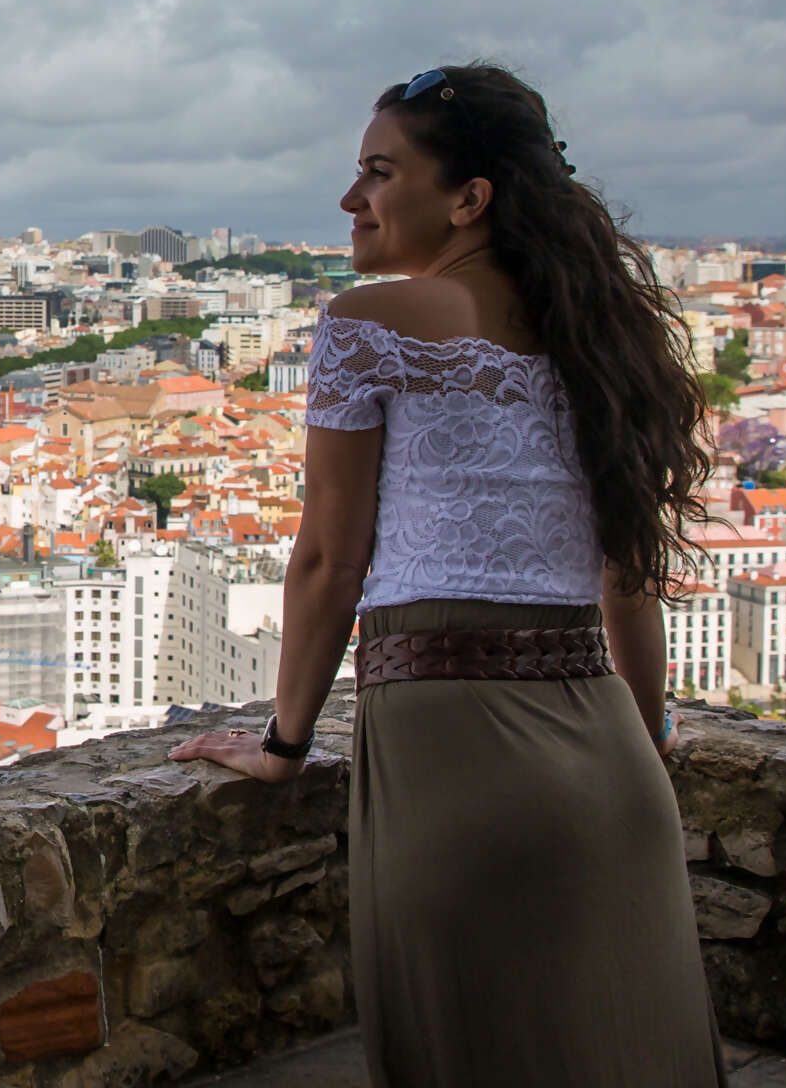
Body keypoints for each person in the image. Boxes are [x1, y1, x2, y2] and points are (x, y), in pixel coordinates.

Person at [168, 62, 723, 1085]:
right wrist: (645, 745)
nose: (351, 199)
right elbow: (629, 581)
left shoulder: (368, 323)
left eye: (379, 173)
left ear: (468, 199)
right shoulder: (603, 341)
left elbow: (329, 559)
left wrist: (283, 744)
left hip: (446, 745)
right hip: (610, 764)